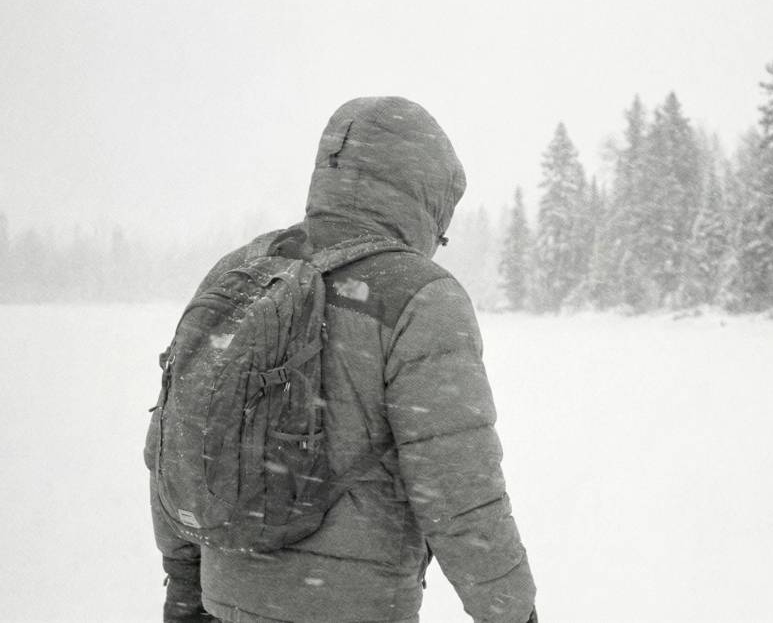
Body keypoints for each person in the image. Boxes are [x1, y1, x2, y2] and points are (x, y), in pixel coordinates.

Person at [150, 96, 537, 623]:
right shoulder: (419, 294)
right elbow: (459, 488)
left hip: (226, 604)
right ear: (423, 200)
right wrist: (510, 612)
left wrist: (183, 582)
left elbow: (178, 442)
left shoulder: (241, 270)